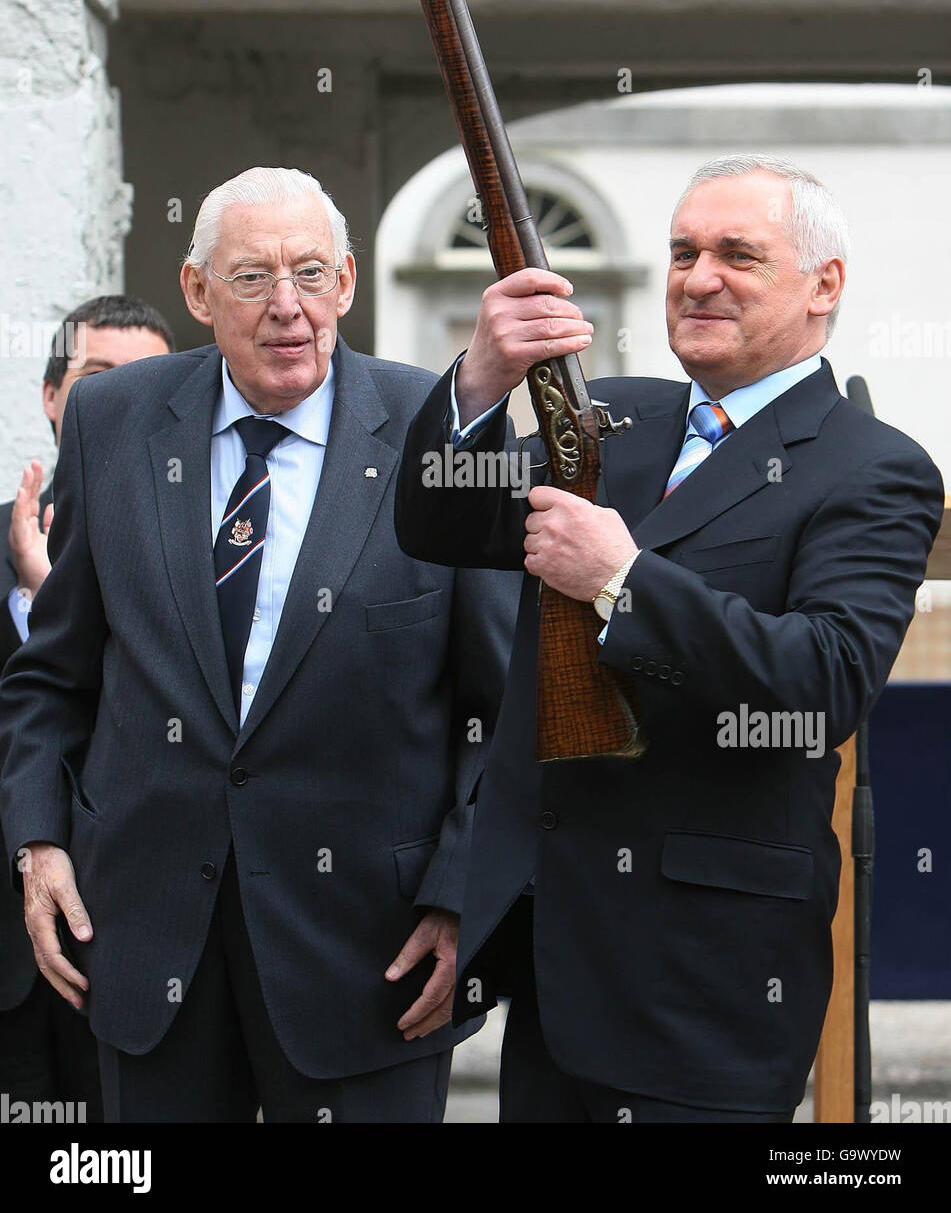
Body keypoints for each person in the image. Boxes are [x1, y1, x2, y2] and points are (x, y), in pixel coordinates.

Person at [394, 153, 944, 1122]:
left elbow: (821, 683)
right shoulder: (619, 419)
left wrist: (622, 579)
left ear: (826, 286)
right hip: (556, 973)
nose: (698, 277)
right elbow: (438, 520)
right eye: (684, 251)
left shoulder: (875, 468)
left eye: (739, 254)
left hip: (709, 993)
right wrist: (481, 376)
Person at [0, 167, 517, 1123]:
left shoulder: (442, 433)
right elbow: (52, 674)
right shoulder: (115, 423)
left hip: (374, 958)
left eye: (311, 274)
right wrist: (38, 843)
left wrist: (463, 895)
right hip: (148, 941)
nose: (288, 307)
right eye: (250, 279)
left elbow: (502, 706)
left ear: (348, 284)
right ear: (197, 292)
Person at [0, 296, 173, 1121]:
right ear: (51, 397)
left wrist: (48, 595)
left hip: (136, 951)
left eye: (146, 380)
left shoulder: (208, 557)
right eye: (97, 378)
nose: (121, 399)